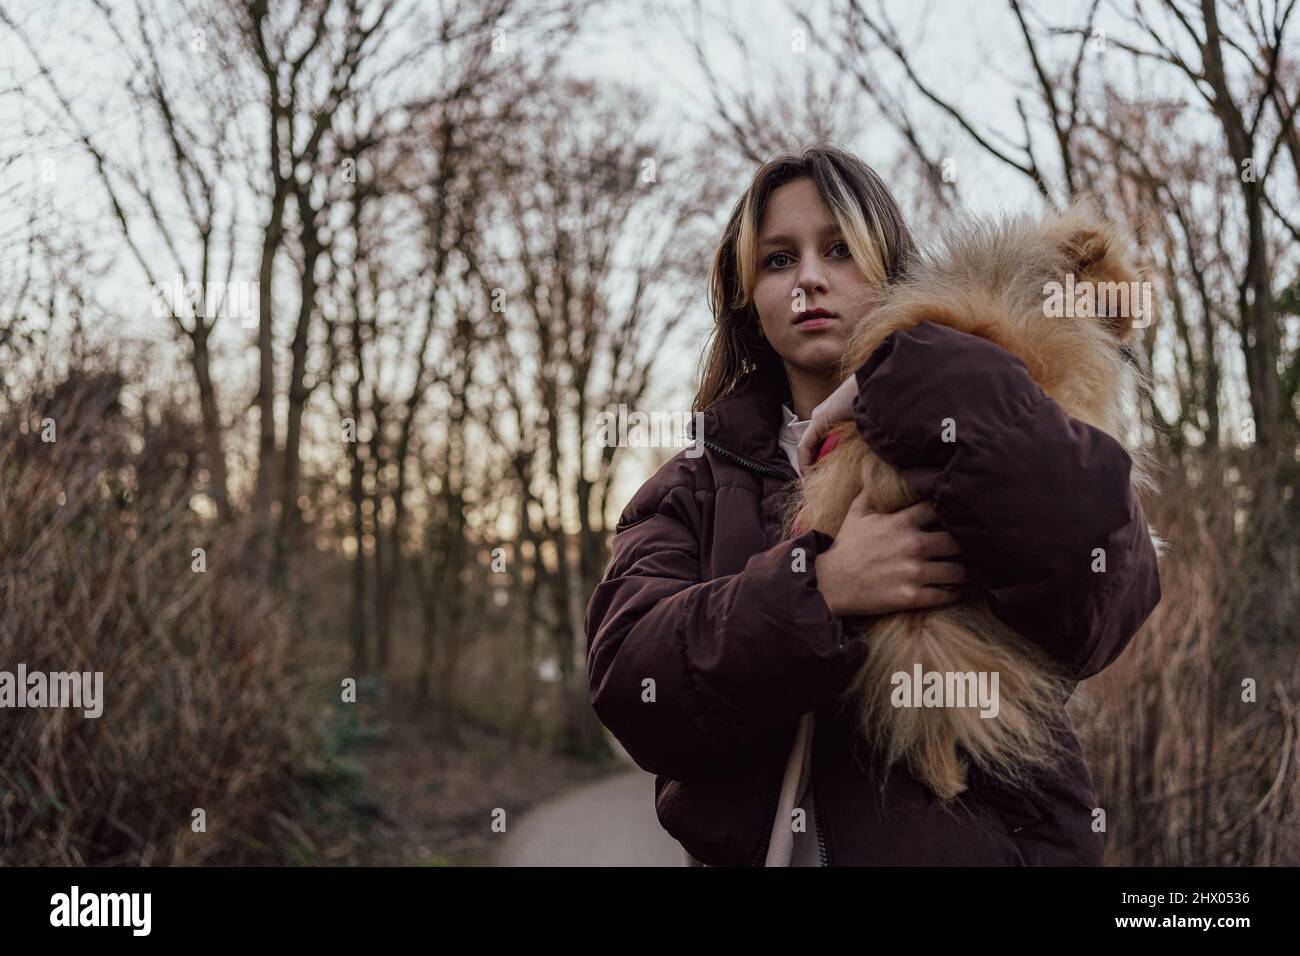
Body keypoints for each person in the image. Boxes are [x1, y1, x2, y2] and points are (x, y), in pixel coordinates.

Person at [583, 143, 1161, 866]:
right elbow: (634, 686)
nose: (810, 280)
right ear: (746, 296)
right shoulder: (689, 486)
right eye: (778, 260)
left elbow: (1106, 596)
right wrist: (819, 588)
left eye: (839, 249)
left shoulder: (1005, 401)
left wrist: (911, 371)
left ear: (891, 267)